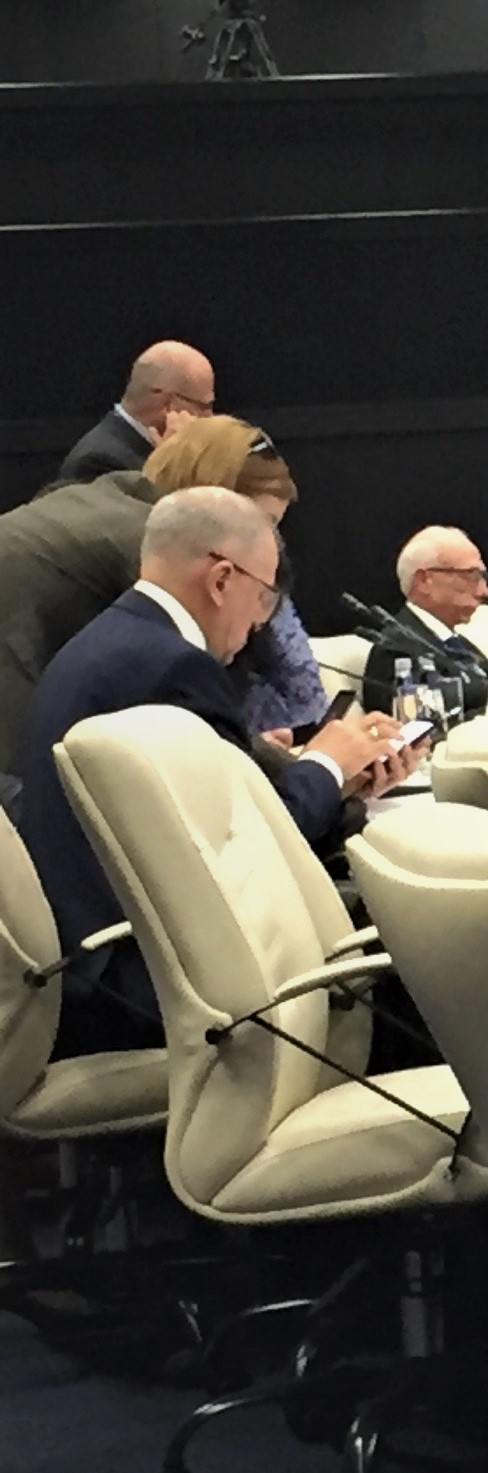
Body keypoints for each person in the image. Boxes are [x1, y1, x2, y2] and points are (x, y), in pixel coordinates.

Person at [16, 488, 414, 1060]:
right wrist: (327, 763)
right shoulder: (172, 667)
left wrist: (338, 779)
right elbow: (247, 849)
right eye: (266, 597)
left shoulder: (110, 644)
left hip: (90, 972)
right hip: (145, 990)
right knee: (413, 963)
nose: (260, 624)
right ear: (223, 579)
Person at [0, 415, 290, 774]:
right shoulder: (153, 552)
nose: (270, 542)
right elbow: (193, 691)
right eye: (266, 522)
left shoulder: (121, 491)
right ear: (221, 503)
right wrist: (290, 763)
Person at [363, 526, 488, 713]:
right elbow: (419, 719)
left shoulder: (457, 644)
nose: (484, 591)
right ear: (424, 580)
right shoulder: (395, 649)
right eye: (470, 576)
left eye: (483, 577)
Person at [56, 341, 217, 485]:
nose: (210, 417)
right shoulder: (98, 462)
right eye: (205, 406)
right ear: (168, 405)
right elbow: (163, 509)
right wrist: (174, 463)